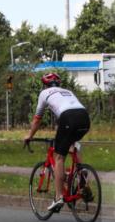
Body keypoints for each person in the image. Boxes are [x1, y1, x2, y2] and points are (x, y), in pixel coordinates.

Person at [23, 72, 91, 213]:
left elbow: (37, 119)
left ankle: (59, 197)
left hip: (68, 118)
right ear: (58, 84)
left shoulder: (44, 93)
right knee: (72, 144)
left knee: (59, 157)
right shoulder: (67, 91)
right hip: (84, 117)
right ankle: (81, 177)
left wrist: (29, 135)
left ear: (44, 84)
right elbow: (69, 110)